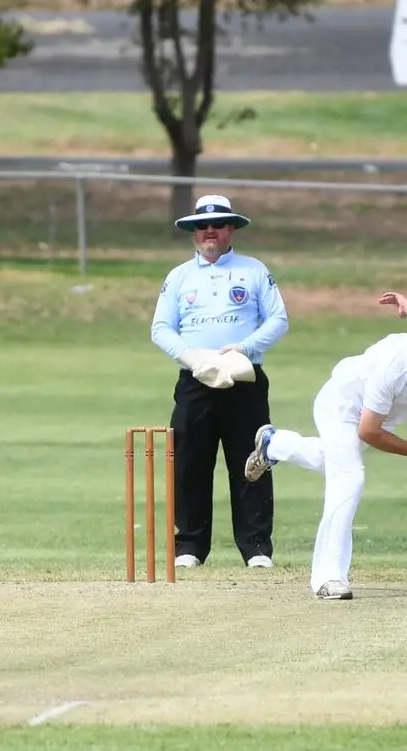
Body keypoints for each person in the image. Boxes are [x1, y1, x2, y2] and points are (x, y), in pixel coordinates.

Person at [243, 291, 407, 600]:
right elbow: (369, 432)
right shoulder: (394, 369)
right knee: (349, 478)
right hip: (343, 405)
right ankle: (328, 579)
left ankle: (274, 444)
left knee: (332, 461)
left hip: (376, 414)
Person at [150, 194, 290, 570]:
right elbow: (160, 328)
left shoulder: (253, 270)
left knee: (252, 459)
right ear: (195, 233)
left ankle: (256, 547)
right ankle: (190, 547)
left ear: (231, 229)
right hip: (196, 379)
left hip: (243, 376)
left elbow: (278, 320)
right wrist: (191, 356)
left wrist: (243, 348)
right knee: (189, 462)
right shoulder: (179, 276)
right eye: (202, 226)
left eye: (218, 224)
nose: (210, 231)